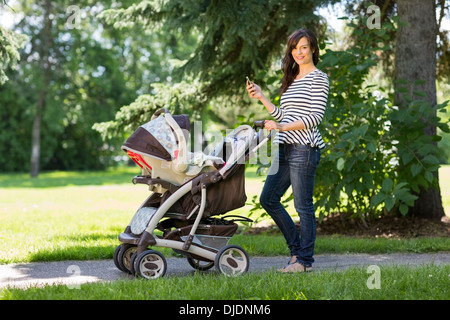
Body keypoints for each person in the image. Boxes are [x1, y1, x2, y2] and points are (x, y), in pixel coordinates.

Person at [246, 28, 329, 273]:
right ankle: (296, 252)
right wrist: (261, 96)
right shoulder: (291, 80)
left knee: (303, 206)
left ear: (313, 48)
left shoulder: (319, 78)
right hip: (285, 146)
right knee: (268, 199)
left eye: (303, 47)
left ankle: (304, 261)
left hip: (305, 148)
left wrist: (282, 126)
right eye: (294, 48)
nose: (298, 52)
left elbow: (315, 117)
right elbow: (283, 115)